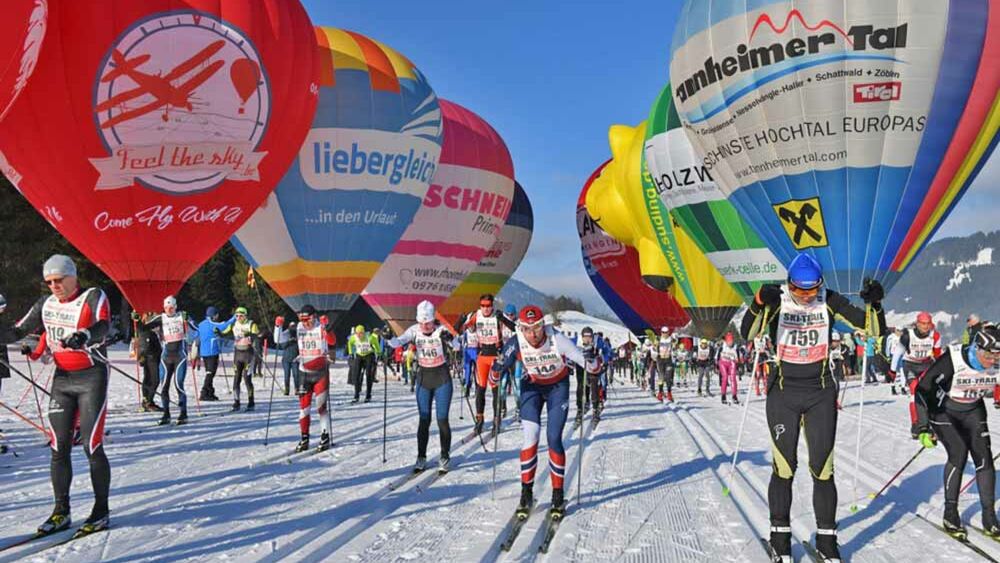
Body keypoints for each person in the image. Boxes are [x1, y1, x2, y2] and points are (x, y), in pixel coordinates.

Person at [740, 252, 885, 561]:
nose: (806, 297)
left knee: (823, 469)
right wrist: (757, 302)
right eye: (799, 290)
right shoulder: (777, 301)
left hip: (819, 394)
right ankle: (780, 537)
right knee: (784, 467)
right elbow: (747, 333)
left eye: (811, 289)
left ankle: (827, 540)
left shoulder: (828, 301)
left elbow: (871, 328)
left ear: (820, 284)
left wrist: (876, 303)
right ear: (789, 283)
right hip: (783, 395)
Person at [6, 255, 113, 536]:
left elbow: (104, 325)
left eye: (59, 280)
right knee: (58, 447)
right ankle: (60, 512)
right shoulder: (45, 303)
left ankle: (101, 511)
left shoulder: (93, 296)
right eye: (49, 281)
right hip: (63, 380)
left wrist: (84, 335)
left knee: (91, 445)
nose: (55, 286)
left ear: (72, 276)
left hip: (92, 377)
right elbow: (18, 330)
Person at [490, 305, 588, 521]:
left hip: (557, 389)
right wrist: (495, 374)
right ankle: (526, 493)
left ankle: (557, 494)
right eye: (527, 329)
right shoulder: (516, 341)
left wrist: (593, 365)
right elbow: (500, 364)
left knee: (553, 438)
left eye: (536, 328)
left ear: (543, 325)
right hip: (532, 387)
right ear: (521, 329)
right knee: (531, 436)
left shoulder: (557, 338)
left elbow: (582, 360)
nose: (532, 334)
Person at [915, 323, 1000, 539]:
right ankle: (950, 512)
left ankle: (989, 517)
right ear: (978, 349)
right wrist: (923, 426)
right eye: (990, 357)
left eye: (997, 357)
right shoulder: (953, 359)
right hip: (943, 411)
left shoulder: (997, 360)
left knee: (985, 459)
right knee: (959, 453)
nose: (993, 362)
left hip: (973, 409)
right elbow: (923, 390)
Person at [388, 301, 456, 472]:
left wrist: (450, 340)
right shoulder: (414, 330)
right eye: (422, 323)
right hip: (424, 379)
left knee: (442, 420)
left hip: (442, 379)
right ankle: (421, 456)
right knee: (424, 419)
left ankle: (445, 455)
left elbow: (458, 345)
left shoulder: (441, 330)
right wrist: (388, 337)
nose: (425, 326)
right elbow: (397, 342)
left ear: (434, 320)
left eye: (428, 323)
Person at [458, 294, 515, 435]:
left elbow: (514, 328)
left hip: (496, 356)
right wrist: (460, 321)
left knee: (495, 389)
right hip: (482, 356)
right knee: (480, 389)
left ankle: (496, 420)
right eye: (482, 305)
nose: (485, 309)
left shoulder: (497, 316)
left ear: (492, 306)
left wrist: (503, 319)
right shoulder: (477, 315)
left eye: (488, 306)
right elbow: (462, 329)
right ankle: (479, 420)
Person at [137, 296, 191, 425]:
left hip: (180, 356)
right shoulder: (161, 317)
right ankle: (166, 414)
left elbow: (196, 330)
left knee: (179, 385)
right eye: (166, 308)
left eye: (171, 307)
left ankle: (183, 413)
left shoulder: (181, 316)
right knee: (164, 386)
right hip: (166, 357)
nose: (169, 310)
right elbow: (143, 328)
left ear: (175, 306)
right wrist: (137, 319)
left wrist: (187, 320)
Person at [891, 312, 943, 437]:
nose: (925, 327)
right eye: (923, 324)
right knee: (915, 391)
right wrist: (892, 370)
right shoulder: (907, 335)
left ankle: (928, 421)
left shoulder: (935, 335)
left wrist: (941, 369)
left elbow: (937, 354)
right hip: (910, 365)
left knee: (928, 392)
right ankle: (916, 424)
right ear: (917, 324)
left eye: (928, 324)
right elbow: (898, 353)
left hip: (926, 364)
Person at [292, 305, 335, 452]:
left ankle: (325, 436)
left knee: (321, 407)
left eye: (308, 319)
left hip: (320, 373)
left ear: (314, 316)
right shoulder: (298, 327)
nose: (305, 323)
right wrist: (278, 327)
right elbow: (279, 339)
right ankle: (304, 438)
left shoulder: (320, 327)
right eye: (302, 320)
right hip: (304, 373)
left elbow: (332, 341)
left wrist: (327, 327)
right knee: (304, 409)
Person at [216, 307, 259, 411]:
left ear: (245, 316)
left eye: (241, 315)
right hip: (238, 354)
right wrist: (219, 332)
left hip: (248, 354)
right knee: (236, 379)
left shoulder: (251, 324)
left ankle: (251, 402)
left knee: (247, 379)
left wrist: (250, 334)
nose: (239, 318)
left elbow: (257, 335)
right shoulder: (234, 324)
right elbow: (225, 332)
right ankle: (236, 402)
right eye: (237, 316)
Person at [192, 307, 234, 401]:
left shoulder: (202, 324)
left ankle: (210, 392)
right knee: (210, 373)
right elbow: (224, 325)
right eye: (216, 315)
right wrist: (234, 318)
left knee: (209, 372)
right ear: (214, 315)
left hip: (204, 352)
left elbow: (196, 335)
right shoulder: (212, 324)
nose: (217, 317)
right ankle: (204, 392)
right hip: (212, 352)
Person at [133, 312, 162, 412]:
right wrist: (136, 319)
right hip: (150, 357)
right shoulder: (143, 328)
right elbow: (140, 326)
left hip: (151, 356)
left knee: (148, 379)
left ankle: (147, 401)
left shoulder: (148, 329)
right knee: (154, 379)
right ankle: (148, 401)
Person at [347, 325, 380, 403]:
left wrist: (378, 352)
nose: (359, 335)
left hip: (369, 355)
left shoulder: (369, 337)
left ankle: (368, 395)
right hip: (359, 355)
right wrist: (351, 352)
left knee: (369, 375)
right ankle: (356, 395)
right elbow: (350, 343)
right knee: (356, 375)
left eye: (361, 333)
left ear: (364, 333)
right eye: (357, 333)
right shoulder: (354, 337)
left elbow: (376, 343)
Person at [274, 316, 299, 396]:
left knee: (296, 375)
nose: (293, 328)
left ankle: (297, 389)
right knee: (286, 375)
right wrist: (289, 341)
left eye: (294, 326)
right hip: (286, 359)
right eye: (291, 326)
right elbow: (281, 345)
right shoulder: (286, 334)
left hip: (295, 358)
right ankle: (287, 389)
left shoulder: (298, 335)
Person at [718, 332, 739, 405]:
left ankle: (734, 395)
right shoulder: (722, 346)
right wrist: (716, 365)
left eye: (731, 341)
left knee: (733, 378)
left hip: (731, 362)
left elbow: (738, 357)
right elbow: (717, 355)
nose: (730, 343)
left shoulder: (735, 347)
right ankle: (723, 395)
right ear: (726, 341)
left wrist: (739, 362)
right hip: (723, 362)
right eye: (728, 342)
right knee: (725, 377)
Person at [655, 327, 674, 402]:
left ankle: (669, 393)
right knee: (661, 377)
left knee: (668, 377)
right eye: (663, 332)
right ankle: (660, 393)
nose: (664, 334)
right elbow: (654, 346)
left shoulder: (671, 339)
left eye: (666, 332)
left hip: (668, 359)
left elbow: (675, 345)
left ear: (668, 332)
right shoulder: (658, 339)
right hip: (660, 360)